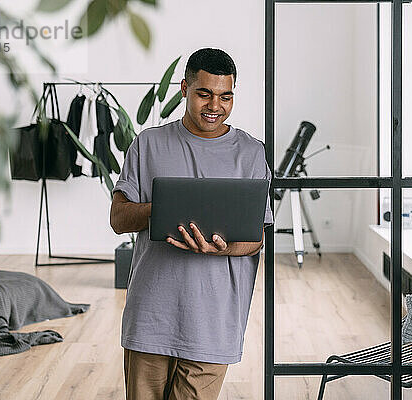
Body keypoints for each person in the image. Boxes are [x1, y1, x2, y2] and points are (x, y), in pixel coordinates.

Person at [109, 47, 274, 400]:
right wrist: (163, 208)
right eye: (204, 94)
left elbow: (257, 237)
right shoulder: (148, 144)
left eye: (225, 96)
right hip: (151, 318)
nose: (215, 106)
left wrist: (223, 249)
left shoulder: (251, 152)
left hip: (214, 321)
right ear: (184, 89)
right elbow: (118, 219)